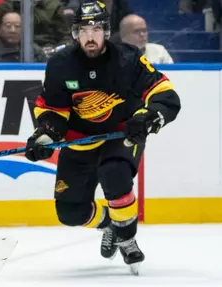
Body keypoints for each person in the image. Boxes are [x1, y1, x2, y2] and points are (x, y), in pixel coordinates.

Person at [24, 1, 181, 272]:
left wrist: (147, 117)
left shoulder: (128, 58)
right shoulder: (61, 65)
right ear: (75, 33)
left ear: (106, 31)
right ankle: (112, 225)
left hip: (122, 134)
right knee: (70, 213)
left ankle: (127, 237)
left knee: (114, 174)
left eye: (95, 29)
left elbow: (164, 93)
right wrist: (45, 135)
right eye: (83, 30)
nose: (89, 37)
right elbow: (52, 110)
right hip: (80, 140)